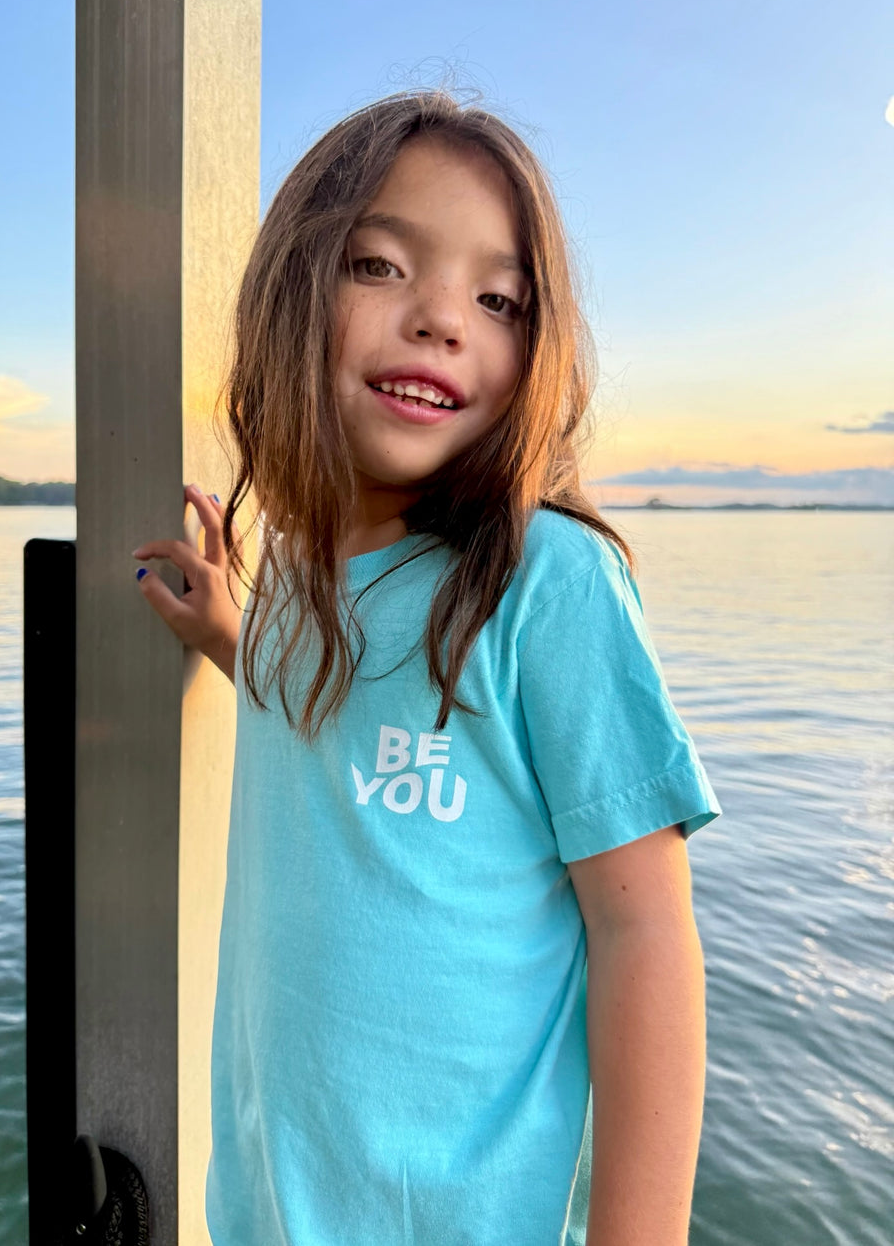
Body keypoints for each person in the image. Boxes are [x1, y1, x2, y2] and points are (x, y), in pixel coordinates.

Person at [131, 90, 721, 1246]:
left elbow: (643, 929)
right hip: (257, 1209)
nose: (443, 319)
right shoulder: (303, 579)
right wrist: (226, 631)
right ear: (291, 295)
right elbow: (327, 699)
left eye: (498, 299)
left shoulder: (544, 583)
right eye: (381, 265)